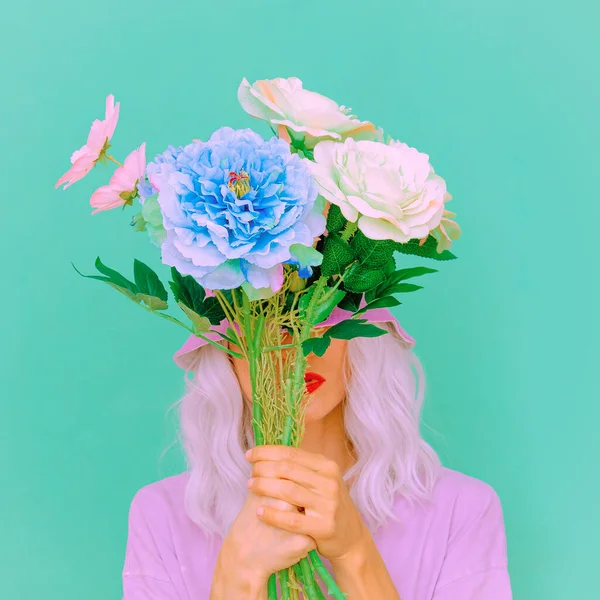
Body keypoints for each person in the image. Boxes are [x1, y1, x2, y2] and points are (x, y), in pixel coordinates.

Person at [122, 306, 512, 599]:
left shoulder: (462, 510)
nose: (297, 348)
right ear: (225, 353)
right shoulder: (162, 516)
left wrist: (354, 554)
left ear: (361, 336)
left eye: (322, 315)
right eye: (262, 320)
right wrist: (235, 579)